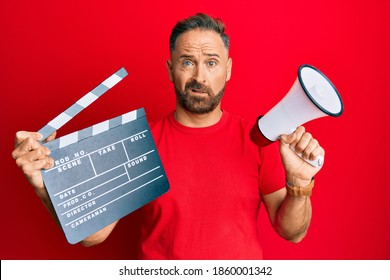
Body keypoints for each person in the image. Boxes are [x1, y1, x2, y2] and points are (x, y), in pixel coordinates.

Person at [12, 13, 324, 259]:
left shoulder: (258, 139)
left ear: (227, 69)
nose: (199, 76)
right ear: (170, 69)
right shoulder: (138, 144)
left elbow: (292, 233)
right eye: (187, 62)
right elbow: (93, 236)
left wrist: (299, 184)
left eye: (211, 63)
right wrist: (44, 188)